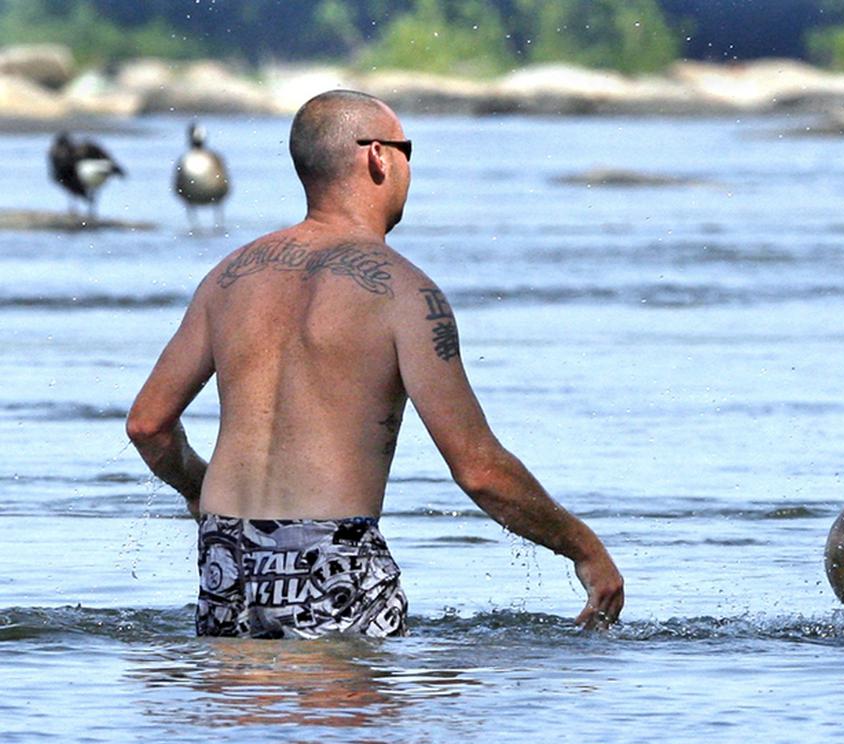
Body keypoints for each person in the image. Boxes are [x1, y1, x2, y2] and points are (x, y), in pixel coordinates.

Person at [126, 90, 624, 638]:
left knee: (245, 715)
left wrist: (199, 489)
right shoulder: (405, 293)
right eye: (408, 149)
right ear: (377, 157)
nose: (411, 166)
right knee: (366, 722)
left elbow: (148, 425)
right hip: (333, 557)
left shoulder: (228, 278)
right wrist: (585, 549)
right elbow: (480, 471)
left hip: (225, 559)